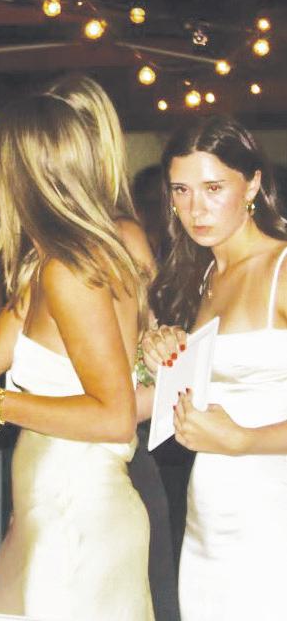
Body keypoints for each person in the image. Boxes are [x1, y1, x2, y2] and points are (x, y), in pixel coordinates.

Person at [0, 93, 153, 620]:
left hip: (77, 511)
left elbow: (115, 416)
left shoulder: (70, 268)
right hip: (46, 507)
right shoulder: (46, 261)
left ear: (15, 169)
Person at [141, 116, 287, 621]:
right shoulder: (199, 275)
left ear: (253, 184)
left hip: (273, 514)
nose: (195, 209)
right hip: (210, 516)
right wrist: (164, 356)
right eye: (181, 190)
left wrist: (245, 439)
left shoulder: (281, 268)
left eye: (213, 188)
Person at [46, 74, 178, 621]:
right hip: (59, 461)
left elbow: (145, 360)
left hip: (115, 459)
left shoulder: (119, 235)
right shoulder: (51, 240)